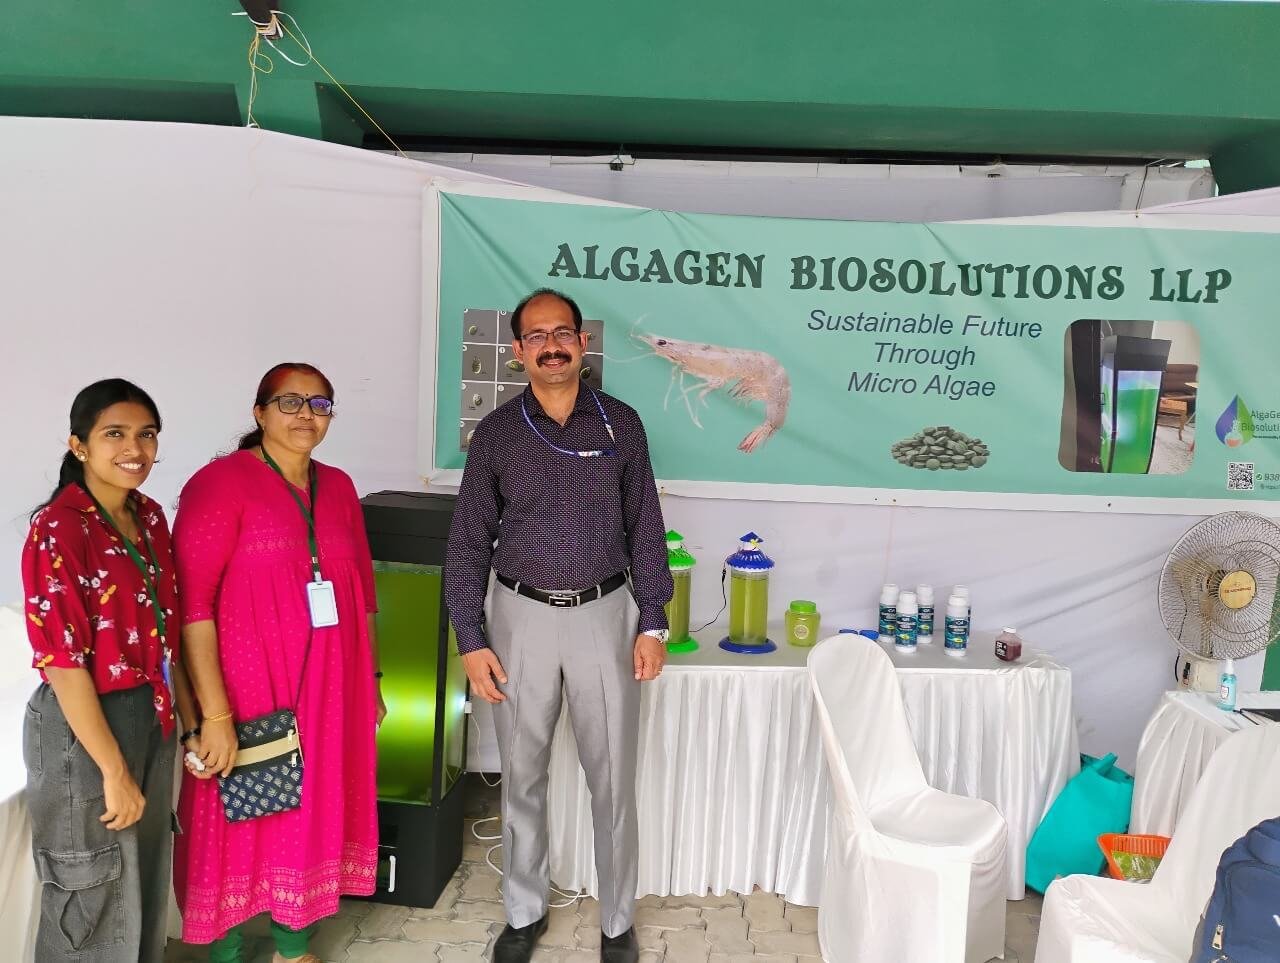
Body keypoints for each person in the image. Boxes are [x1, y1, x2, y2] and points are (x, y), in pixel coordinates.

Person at [445, 289, 673, 963]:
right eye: (537, 336)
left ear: (582, 342)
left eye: (563, 333)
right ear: (518, 351)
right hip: (520, 617)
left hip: (606, 615)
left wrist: (653, 621)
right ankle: (524, 911)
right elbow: (468, 543)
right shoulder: (497, 434)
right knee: (522, 774)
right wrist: (471, 638)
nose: (552, 345)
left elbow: (646, 527)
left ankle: (617, 922)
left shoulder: (620, 424)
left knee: (613, 779)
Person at [171, 362, 385, 963]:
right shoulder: (220, 483)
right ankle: (227, 952)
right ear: (260, 412)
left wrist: (370, 680)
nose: (306, 415)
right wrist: (214, 714)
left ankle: (294, 945)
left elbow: (364, 595)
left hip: (331, 684)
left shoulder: (338, 485)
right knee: (238, 813)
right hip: (248, 683)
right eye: (290, 401)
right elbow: (193, 607)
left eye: (320, 403)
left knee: (312, 805)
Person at [21, 378, 200, 962]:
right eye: (115, 434)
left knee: (141, 879)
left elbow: (167, 636)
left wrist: (191, 724)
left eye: (147, 435)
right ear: (79, 445)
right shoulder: (59, 528)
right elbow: (64, 663)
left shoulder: (149, 517)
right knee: (90, 886)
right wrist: (114, 771)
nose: (134, 449)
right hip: (85, 729)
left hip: (151, 716)